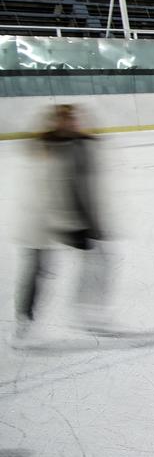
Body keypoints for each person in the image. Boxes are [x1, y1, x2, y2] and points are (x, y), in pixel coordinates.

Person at [14, 105, 108, 341]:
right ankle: (25, 323)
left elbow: (81, 189)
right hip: (45, 222)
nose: (74, 123)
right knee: (37, 271)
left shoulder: (73, 145)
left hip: (64, 220)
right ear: (56, 122)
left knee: (97, 260)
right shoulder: (50, 149)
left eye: (75, 119)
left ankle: (85, 310)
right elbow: (55, 191)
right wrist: (78, 224)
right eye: (68, 119)